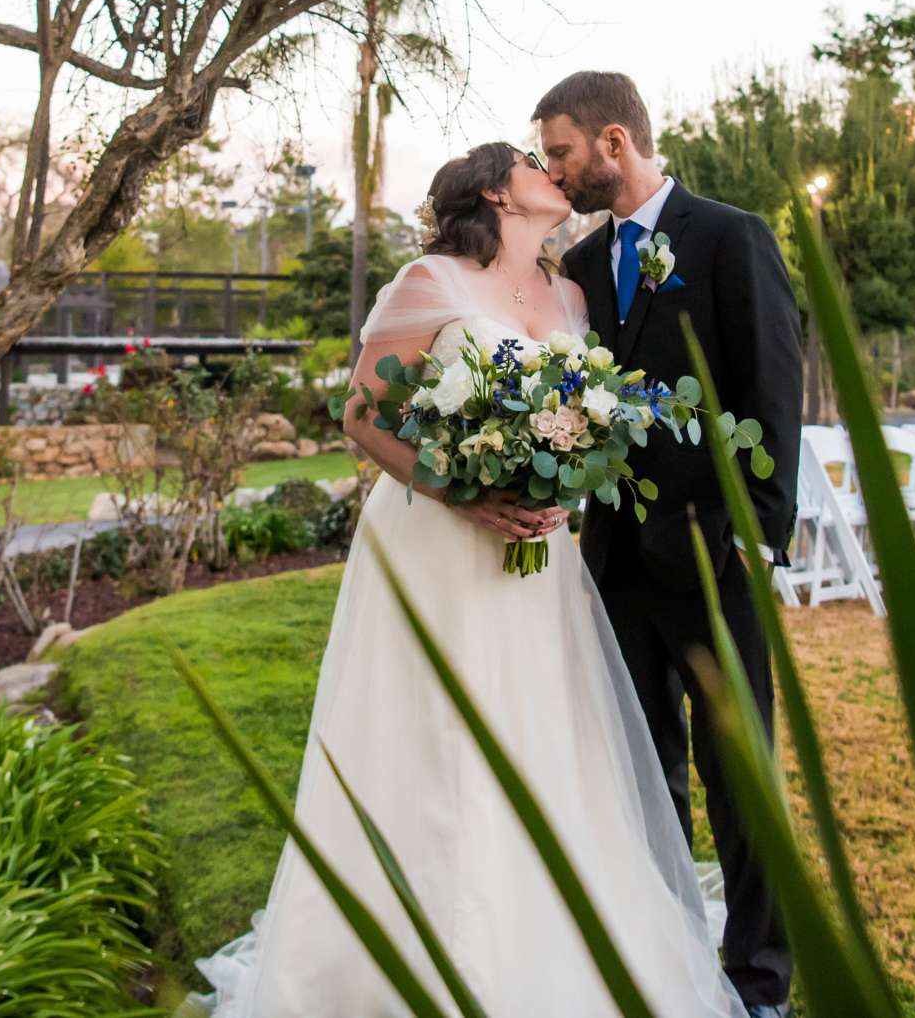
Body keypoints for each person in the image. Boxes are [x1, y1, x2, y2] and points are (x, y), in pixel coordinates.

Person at [190, 142, 746, 1018]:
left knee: (543, 726)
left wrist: (564, 480)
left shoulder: (569, 293)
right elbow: (363, 413)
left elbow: (580, 415)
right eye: (534, 159)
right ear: (496, 189)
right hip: (439, 543)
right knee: (439, 730)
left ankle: (554, 939)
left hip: (541, 555)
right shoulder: (430, 281)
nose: (551, 171)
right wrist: (463, 492)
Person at [537, 71, 801, 1018]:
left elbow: (772, 387)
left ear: (614, 143)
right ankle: (673, 961)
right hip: (615, 566)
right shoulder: (574, 270)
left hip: (714, 555)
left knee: (740, 775)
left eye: (560, 152)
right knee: (647, 771)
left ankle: (760, 980)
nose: (551, 172)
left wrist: (757, 536)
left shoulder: (730, 238)